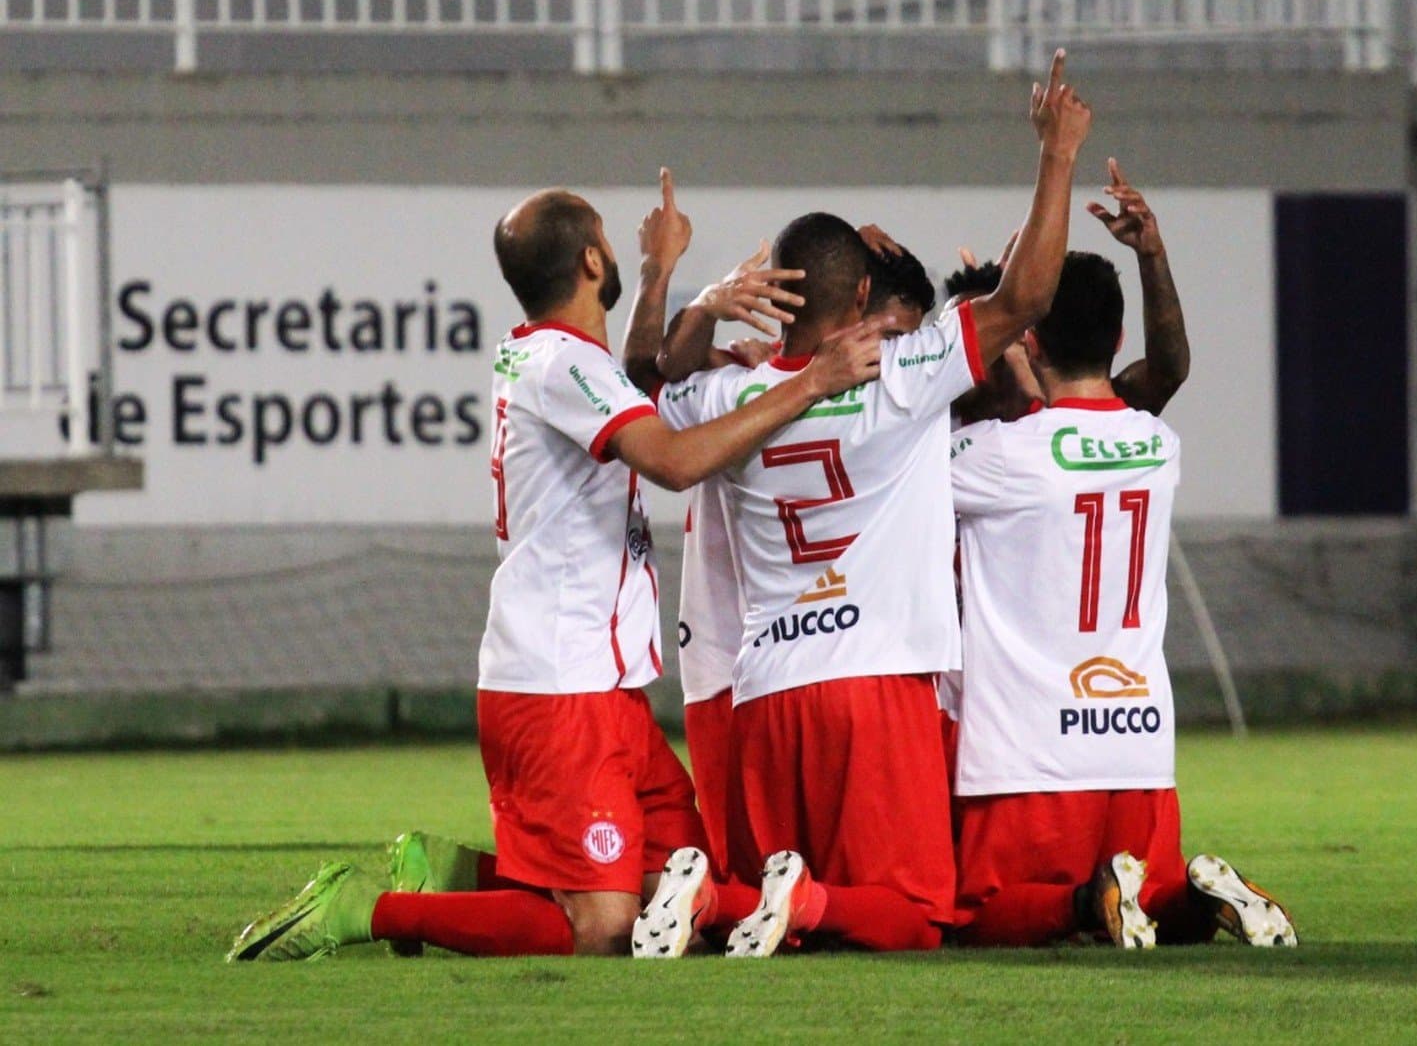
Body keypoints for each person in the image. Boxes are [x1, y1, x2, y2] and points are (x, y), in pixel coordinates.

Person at [226, 185, 886, 962]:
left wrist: (660, 273)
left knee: (687, 884)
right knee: (602, 929)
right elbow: (673, 462)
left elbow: (636, 382)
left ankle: (455, 874)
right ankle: (367, 909)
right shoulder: (562, 366)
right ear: (589, 258)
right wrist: (810, 383)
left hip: (600, 692)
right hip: (556, 690)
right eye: (608, 239)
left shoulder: (553, 358)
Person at [639, 51, 1092, 958]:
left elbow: (647, 377)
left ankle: (723, 900)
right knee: (915, 915)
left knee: (813, 928)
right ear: (860, 296)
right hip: (876, 683)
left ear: (779, 296)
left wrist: (694, 299)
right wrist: (1056, 157)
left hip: (767, 692)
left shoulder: (725, 397)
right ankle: (792, 900)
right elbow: (1027, 298)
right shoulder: (903, 373)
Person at [946, 167, 1295, 950]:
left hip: (1029, 751)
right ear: (1113, 339)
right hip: (1136, 743)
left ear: (1027, 337)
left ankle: (1100, 904)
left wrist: (976, 325)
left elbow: (907, 452)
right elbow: (1163, 373)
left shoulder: (994, 456)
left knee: (973, 912)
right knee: (1140, 890)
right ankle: (1196, 903)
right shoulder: (1152, 442)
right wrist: (1153, 254)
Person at [621, 201, 938, 888]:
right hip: (734, 660)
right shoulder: (743, 377)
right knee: (756, 882)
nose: (884, 347)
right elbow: (644, 378)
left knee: (805, 890)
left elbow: (647, 377)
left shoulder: (882, 394)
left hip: (803, 665)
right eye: (884, 325)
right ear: (855, 300)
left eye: (904, 335)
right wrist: (697, 300)